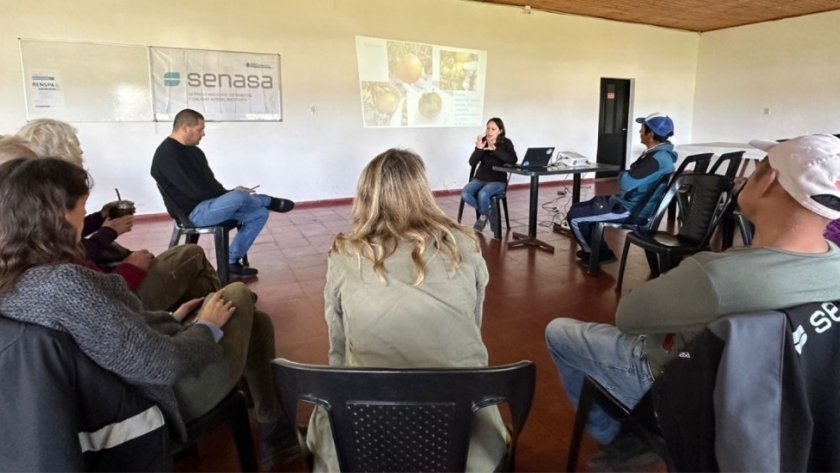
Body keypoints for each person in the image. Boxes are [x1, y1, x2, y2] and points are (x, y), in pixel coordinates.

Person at [0, 158, 297, 470]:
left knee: (256, 322)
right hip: (150, 402)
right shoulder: (63, 284)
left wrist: (171, 320)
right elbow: (161, 365)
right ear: (59, 214)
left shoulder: (17, 276)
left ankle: (275, 427)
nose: (85, 216)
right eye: (82, 206)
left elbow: (113, 337)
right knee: (235, 295)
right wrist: (206, 327)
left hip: (112, 390)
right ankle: (275, 431)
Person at [545, 134, 840, 446]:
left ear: (769, 183)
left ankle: (616, 437)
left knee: (558, 332)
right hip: (771, 409)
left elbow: (628, 318)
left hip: (686, 388)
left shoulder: (717, 275)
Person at [308, 148, 507, 471]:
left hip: (364, 434)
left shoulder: (346, 254)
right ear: (422, 192)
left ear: (365, 196)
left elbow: (339, 348)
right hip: (465, 437)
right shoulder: (465, 245)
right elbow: (473, 327)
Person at [17, 119, 219, 312]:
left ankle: (208, 314)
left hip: (109, 286)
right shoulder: (50, 213)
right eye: (76, 146)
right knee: (192, 254)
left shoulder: (24, 214)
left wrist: (100, 219)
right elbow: (99, 294)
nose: (82, 151)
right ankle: (215, 313)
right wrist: (125, 258)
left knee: (197, 280)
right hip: (119, 297)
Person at [151, 108, 295, 277]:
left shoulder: (194, 151)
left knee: (259, 213)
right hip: (193, 214)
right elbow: (195, 191)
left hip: (209, 205)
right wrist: (231, 197)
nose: (203, 134)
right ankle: (268, 200)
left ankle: (231, 261)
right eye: (200, 129)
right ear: (185, 128)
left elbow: (210, 185)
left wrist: (229, 193)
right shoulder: (168, 155)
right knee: (241, 197)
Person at [566, 113, 677, 263]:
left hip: (632, 210)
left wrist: (624, 174)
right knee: (582, 206)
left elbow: (625, 183)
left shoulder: (656, 159)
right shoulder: (661, 155)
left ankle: (595, 255)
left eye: (642, 128)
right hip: (632, 203)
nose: (639, 131)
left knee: (576, 216)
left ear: (650, 134)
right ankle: (601, 252)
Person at [461, 117, 517, 232]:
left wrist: (495, 150)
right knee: (465, 193)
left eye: (493, 129)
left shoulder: (506, 143)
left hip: (498, 181)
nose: (489, 132)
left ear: (500, 131)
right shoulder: (483, 141)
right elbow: (472, 162)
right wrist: (479, 149)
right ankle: (489, 211)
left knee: (483, 194)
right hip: (480, 178)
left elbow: (512, 159)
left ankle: (482, 217)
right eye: (488, 128)